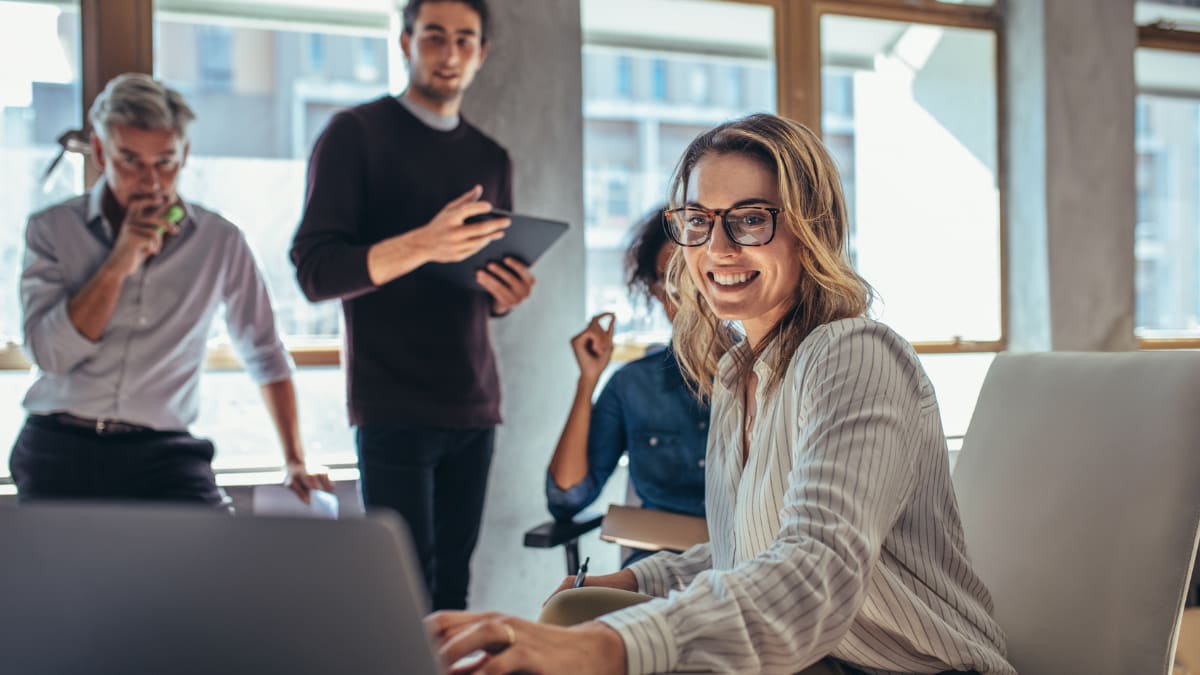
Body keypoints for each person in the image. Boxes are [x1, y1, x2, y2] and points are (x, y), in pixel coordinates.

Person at [425, 113, 1016, 675]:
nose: (718, 248)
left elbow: (814, 571)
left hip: (902, 667)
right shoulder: (738, 374)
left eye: (751, 218)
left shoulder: (855, 353)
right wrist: (637, 582)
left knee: (596, 646)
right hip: (816, 658)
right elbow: (746, 555)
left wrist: (609, 648)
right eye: (698, 220)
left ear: (812, 230)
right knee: (572, 610)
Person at [290, 0, 534, 611]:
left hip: (474, 401)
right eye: (433, 36)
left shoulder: (491, 157)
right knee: (403, 594)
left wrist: (505, 294)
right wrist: (425, 242)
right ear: (404, 42)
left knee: (454, 590)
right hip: (391, 400)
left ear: (481, 54)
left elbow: (475, 278)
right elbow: (316, 272)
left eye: (464, 40)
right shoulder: (355, 134)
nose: (448, 53)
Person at [13, 73, 331, 508]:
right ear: (101, 152)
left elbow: (264, 351)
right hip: (60, 443)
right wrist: (118, 264)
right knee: (63, 575)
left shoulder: (220, 241)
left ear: (185, 154)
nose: (151, 182)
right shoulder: (51, 230)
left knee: (211, 564)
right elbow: (50, 355)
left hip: (164, 450)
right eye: (130, 161)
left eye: (165, 162)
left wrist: (296, 459)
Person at [545, 207, 708, 565]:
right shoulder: (633, 385)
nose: (686, 295)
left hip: (744, 569)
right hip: (653, 570)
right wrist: (588, 379)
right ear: (653, 291)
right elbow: (567, 497)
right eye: (671, 281)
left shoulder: (766, 376)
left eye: (695, 277)